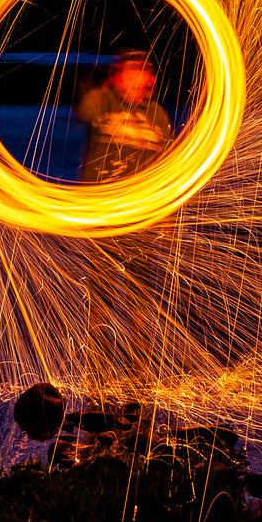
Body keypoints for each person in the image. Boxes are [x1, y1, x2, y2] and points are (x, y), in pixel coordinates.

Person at [74, 49, 175, 399]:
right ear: (119, 79)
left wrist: (168, 212)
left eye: (146, 76)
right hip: (103, 217)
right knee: (101, 296)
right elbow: (82, 110)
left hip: (139, 220)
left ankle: (139, 374)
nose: (142, 82)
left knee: (139, 298)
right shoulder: (103, 104)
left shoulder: (158, 115)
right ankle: (99, 375)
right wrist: (103, 85)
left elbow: (167, 167)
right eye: (133, 75)